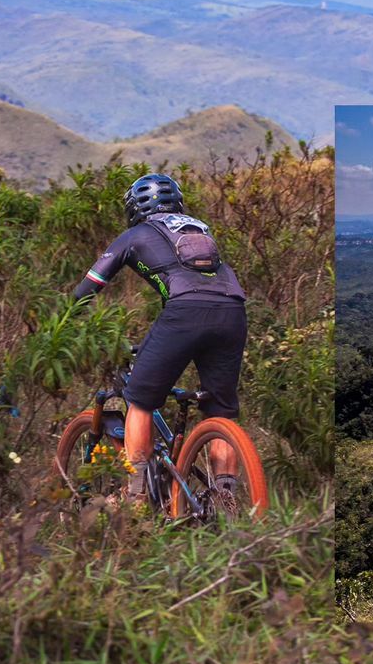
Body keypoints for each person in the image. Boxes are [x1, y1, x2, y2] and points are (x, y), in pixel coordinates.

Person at [72, 172, 247, 503]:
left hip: (184, 314)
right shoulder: (200, 229)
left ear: (135, 208)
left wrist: (67, 323)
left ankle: (135, 498)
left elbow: (88, 288)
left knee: (140, 400)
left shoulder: (134, 234)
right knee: (220, 410)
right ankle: (226, 501)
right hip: (234, 312)